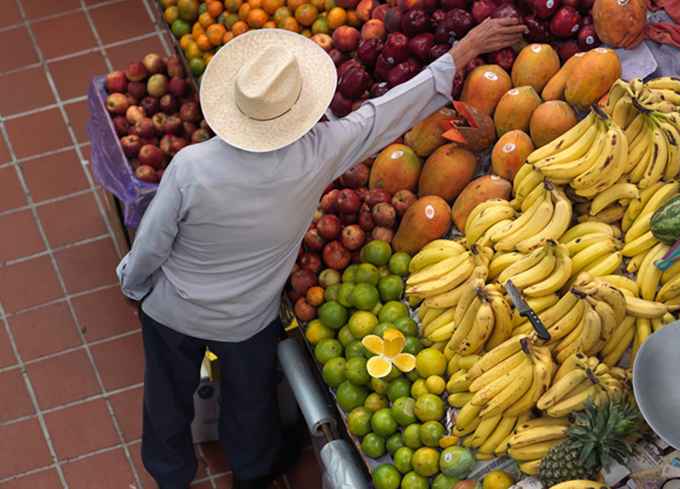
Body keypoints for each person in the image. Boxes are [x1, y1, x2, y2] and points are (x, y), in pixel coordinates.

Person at [117, 18, 526, 489]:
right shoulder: (317, 154)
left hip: (174, 312)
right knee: (250, 402)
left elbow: (151, 244)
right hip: (246, 321)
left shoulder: (191, 167)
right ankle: (252, 472)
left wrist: (134, 284)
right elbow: (383, 114)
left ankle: (170, 476)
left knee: (167, 401)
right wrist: (463, 50)